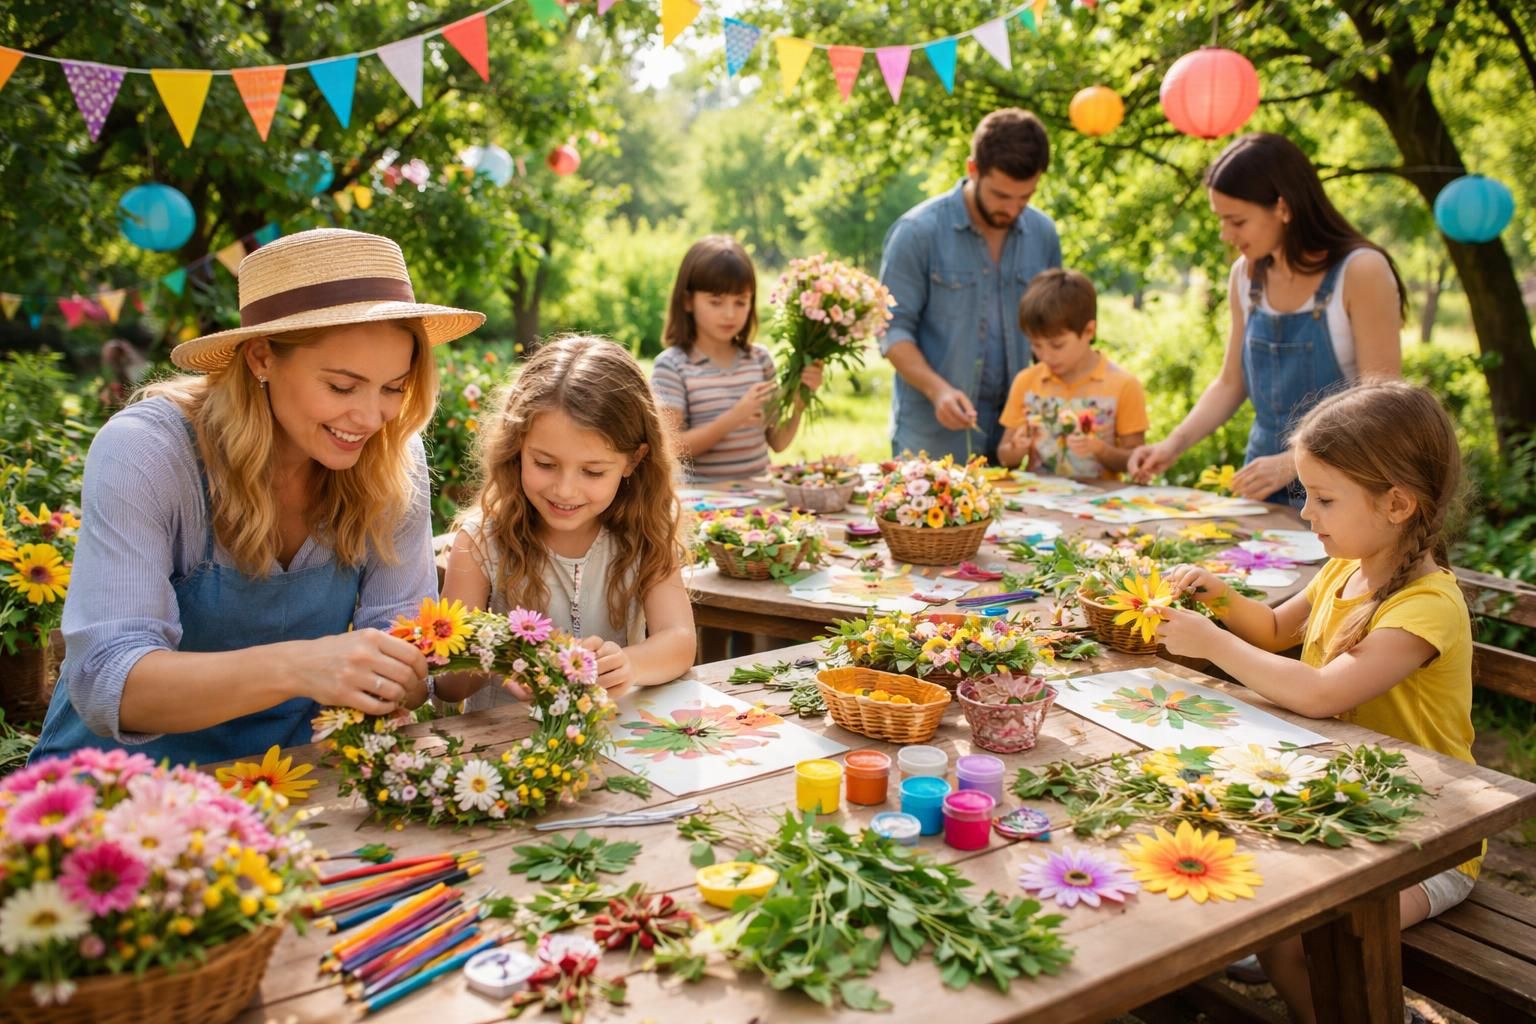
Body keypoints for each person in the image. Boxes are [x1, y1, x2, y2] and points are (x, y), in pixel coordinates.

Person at [30, 228, 485, 766]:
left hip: (289, 779)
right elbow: (109, 681)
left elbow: (400, 639)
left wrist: (401, 679)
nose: (370, 418)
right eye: (342, 386)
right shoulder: (147, 451)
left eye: (393, 388)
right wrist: (300, 667)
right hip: (116, 792)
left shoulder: (392, 455)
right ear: (262, 358)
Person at [1155, 382, 1476, 1024]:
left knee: (1296, 930)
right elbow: (1277, 631)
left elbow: (1323, 694)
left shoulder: (1427, 607)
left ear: (1397, 504)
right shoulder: (1345, 566)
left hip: (1428, 840)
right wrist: (1219, 598)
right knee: (1238, 881)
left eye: (1324, 498)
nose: (1306, 513)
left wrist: (1211, 642)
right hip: (1344, 809)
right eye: (1306, 493)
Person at [1127, 132, 1404, 504]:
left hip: (1344, 491)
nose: (1227, 235)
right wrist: (1172, 445)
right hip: (1261, 486)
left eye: (1237, 221)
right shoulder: (1245, 276)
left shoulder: (1361, 272)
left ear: (1283, 208)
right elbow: (1230, 384)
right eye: (1221, 220)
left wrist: (1295, 461)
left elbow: (1383, 406)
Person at [437, 335, 695, 710]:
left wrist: (627, 665)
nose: (565, 490)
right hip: (507, 756)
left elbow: (680, 640)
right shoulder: (479, 543)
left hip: (614, 747)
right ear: (516, 446)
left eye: (592, 471)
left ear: (633, 461)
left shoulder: (644, 534)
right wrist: (502, 658)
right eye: (544, 464)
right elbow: (446, 686)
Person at [878, 108, 1062, 463]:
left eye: (1025, 197)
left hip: (1012, 438)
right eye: (1001, 195)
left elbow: (1053, 328)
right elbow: (891, 330)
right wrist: (938, 390)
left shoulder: (1043, 233)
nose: (1013, 209)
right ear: (972, 169)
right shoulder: (917, 232)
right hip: (930, 439)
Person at [650, 236, 822, 482]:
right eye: (715, 302)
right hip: (705, 505)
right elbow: (672, 448)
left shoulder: (759, 359)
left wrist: (799, 403)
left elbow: (778, 441)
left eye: (740, 302)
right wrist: (735, 417)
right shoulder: (673, 366)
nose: (729, 314)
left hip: (760, 499)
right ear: (688, 301)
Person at [996, 269, 1148, 478]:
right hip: (1039, 503)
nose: (1045, 356)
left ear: (1089, 331)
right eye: (1036, 345)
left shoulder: (1123, 385)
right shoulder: (1026, 381)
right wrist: (1016, 449)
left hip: (1100, 504)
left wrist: (1100, 449)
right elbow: (1004, 456)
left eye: (1057, 345)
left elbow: (1135, 459)